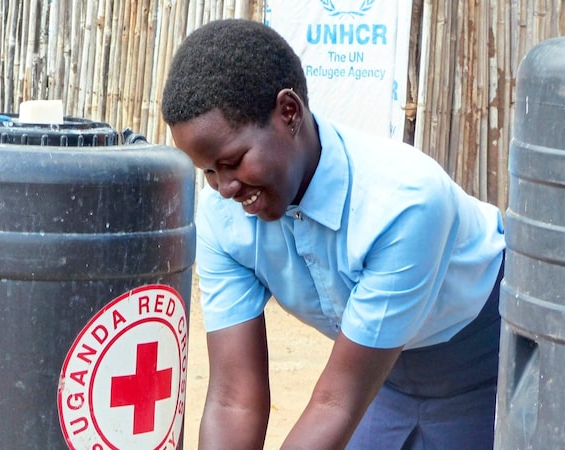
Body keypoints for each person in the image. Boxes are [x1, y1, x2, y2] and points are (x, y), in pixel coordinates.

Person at [161, 19, 505, 449]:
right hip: (383, 375)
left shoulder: (403, 203)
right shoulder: (223, 220)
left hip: (485, 364)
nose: (225, 187)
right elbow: (234, 399)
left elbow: (336, 402)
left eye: (233, 161)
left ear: (289, 112)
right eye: (208, 171)